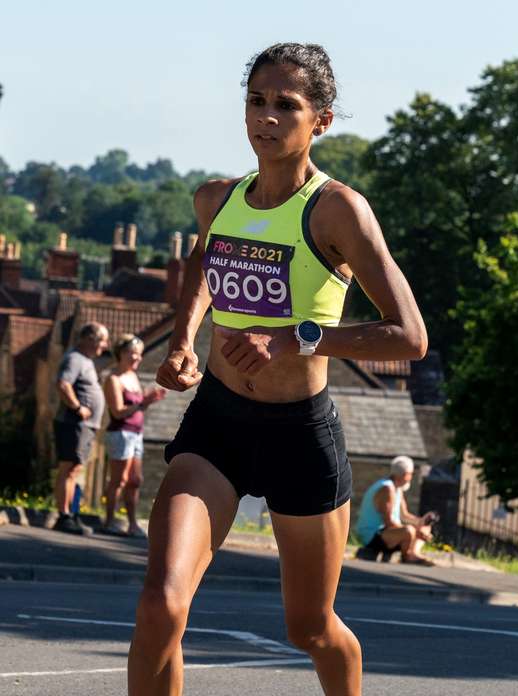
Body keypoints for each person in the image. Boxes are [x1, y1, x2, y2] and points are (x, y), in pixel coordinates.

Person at [127, 43, 427, 696]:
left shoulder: (337, 210)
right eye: (256, 102)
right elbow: (206, 264)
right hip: (218, 425)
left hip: (300, 435)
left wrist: (297, 338)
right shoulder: (216, 198)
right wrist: (183, 338)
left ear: (320, 120)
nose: (267, 118)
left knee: (310, 628)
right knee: (160, 606)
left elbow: (409, 335)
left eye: (286, 105)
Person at [102, 334, 166, 537]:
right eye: (133, 353)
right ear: (121, 353)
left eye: (139, 354)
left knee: (135, 480)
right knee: (119, 479)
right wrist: (141, 403)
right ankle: (110, 521)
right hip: (121, 433)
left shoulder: (133, 377)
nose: (138, 358)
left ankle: (132, 523)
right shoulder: (114, 379)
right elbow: (118, 411)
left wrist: (148, 401)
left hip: (136, 434)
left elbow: (138, 409)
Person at [53, 322, 109, 535]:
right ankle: (64, 515)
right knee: (68, 469)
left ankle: (70, 514)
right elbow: (63, 384)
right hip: (73, 423)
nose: (105, 346)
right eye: (102, 340)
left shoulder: (85, 360)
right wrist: (78, 407)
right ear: (90, 339)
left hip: (83, 425)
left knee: (74, 469)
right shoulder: (75, 359)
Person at [355, 455, 437, 565]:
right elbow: (388, 522)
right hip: (372, 535)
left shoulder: (397, 488)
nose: (411, 477)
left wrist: (421, 523)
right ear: (405, 475)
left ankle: (413, 553)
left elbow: (405, 515)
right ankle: (407, 556)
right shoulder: (387, 489)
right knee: (409, 531)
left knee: (425, 527)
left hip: (387, 533)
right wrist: (416, 531)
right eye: (411, 474)